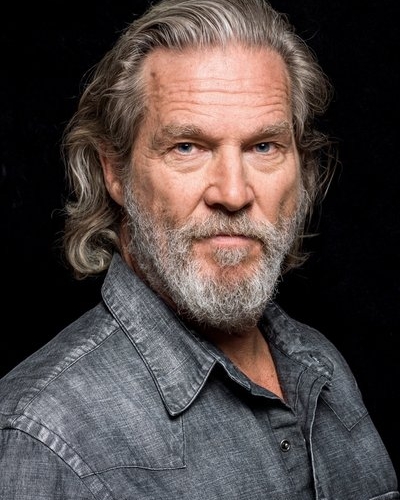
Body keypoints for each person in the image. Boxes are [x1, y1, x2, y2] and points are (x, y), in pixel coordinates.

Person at [0, 0, 398, 497]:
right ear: (115, 172)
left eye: (264, 146)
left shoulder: (322, 363)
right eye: (187, 147)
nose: (232, 193)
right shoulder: (44, 436)